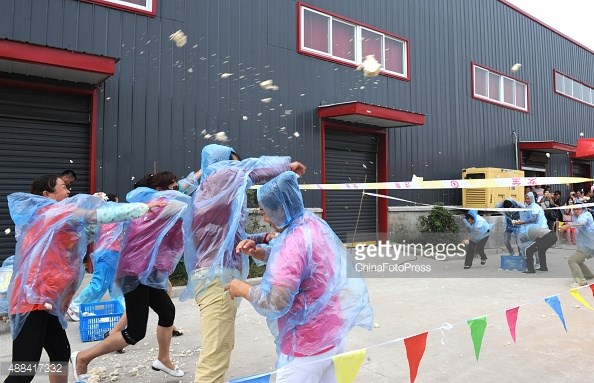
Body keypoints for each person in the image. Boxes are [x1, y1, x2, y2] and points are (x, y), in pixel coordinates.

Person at [5, 175, 160, 383]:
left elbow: (86, 231)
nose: (68, 191)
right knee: (23, 371)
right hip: (33, 301)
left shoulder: (50, 217)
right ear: (46, 195)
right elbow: (96, 217)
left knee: (60, 354)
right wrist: (143, 208)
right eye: (63, 187)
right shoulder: (51, 212)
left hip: (48, 300)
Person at [225, 171, 373, 382]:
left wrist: (242, 289)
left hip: (306, 349)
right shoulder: (311, 223)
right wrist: (261, 251)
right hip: (332, 336)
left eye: (265, 212)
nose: (265, 219)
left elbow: (276, 301)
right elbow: (304, 264)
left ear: (280, 208)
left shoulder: (292, 243)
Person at [181, 144, 306, 383]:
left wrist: (261, 238)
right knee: (215, 356)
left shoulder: (217, 198)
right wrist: (286, 166)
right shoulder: (219, 182)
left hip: (216, 275)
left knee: (221, 347)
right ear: (219, 165)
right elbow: (251, 169)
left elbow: (232, 237)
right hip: (217, 279)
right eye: (232, 163)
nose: (236, 168)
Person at [72, 172, 191, 382]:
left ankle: (163, 359)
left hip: (145, 272)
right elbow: (188, 206)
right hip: (133, 273)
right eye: (171, 189)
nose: (176, 193)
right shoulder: (157, 207)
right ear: (159, 191)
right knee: (136, 332)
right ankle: (83, 357)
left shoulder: (152, 204)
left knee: (166, 310)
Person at [67, 194, 125, 322]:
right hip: (108, 253)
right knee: (99, 283)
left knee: (114, 284)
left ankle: (122, 309)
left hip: (110, 252)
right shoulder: (109, 218)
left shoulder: (103, 218)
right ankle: (76, 306)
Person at [559, 203, 594, 287]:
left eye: (578, 209)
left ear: (583, 209)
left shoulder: (585, 215)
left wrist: (567, 225)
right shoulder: (578, 216)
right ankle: (589, 275)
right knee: (578, 260)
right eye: (574, 209)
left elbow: (582, 222)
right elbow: (569, 218)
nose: (576, 211)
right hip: (586, 245)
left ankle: (580, 281)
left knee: (572, 260)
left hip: (589, 246)